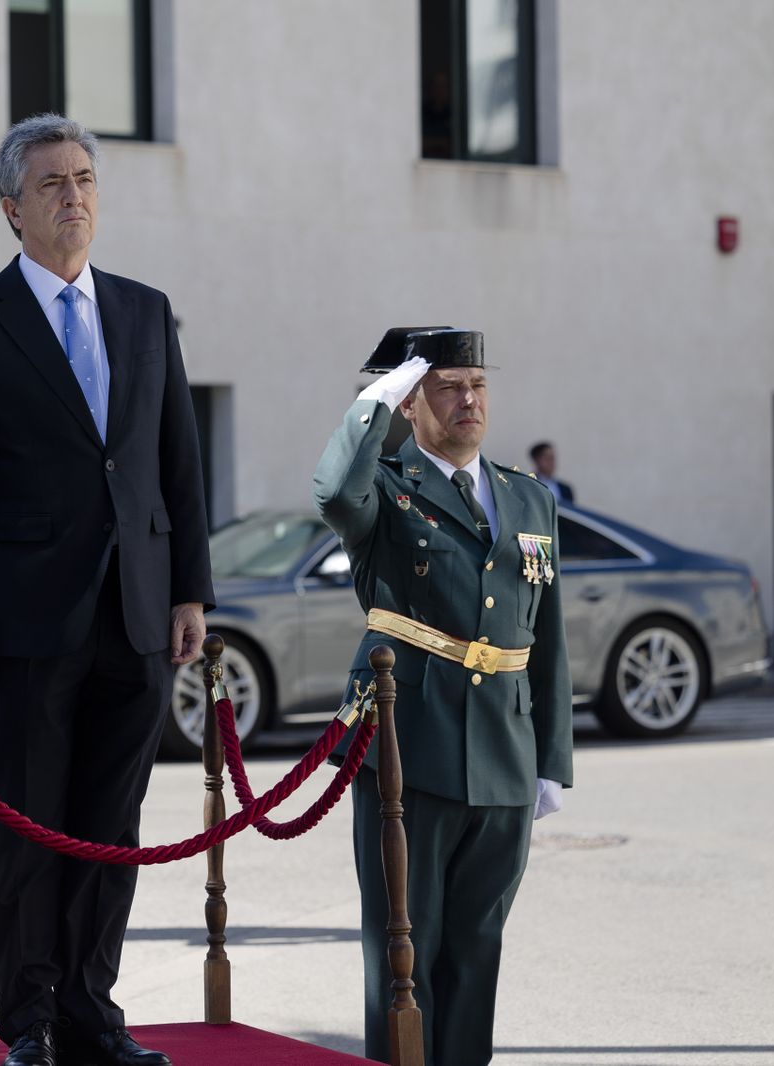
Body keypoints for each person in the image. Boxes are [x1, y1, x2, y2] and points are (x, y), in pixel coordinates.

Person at [0, 114, 213, 1066]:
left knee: (110, 827)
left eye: (84, 179)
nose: (74, 196)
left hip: (137, 613)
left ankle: (92, 1009)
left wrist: (189, 591)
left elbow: (178, 461)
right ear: (13, 208)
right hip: (25, 623)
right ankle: (30, 1018)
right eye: (51, 184)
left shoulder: (144, 308)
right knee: (32, 828)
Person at [313, 327, 572, 1066]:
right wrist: (374, 407)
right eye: (448, 386)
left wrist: (550, 757)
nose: (469, 399)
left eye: (478, 384)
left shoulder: (528, 498)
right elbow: (334, 490)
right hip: (408, 748)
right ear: (412, 401)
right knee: (404, 954)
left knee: (477, 946)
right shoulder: (386, 487)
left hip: (504, 751)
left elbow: (544, 637)